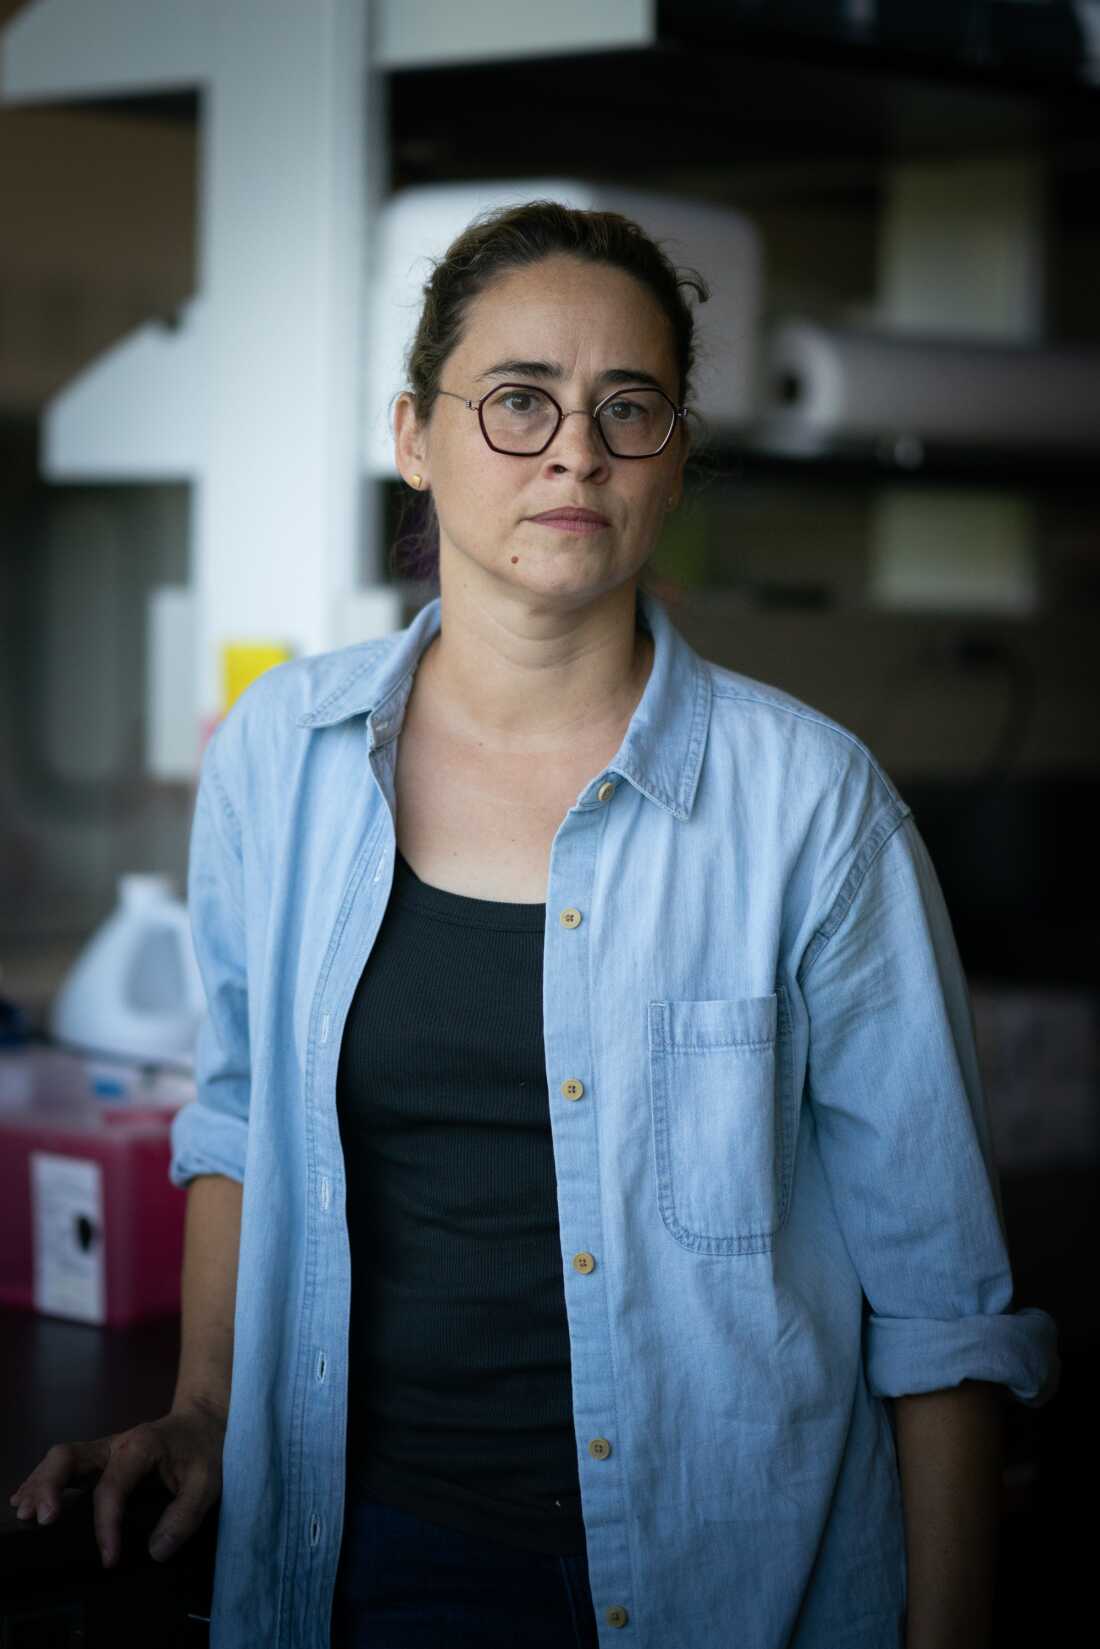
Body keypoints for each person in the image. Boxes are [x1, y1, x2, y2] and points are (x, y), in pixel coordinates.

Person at [9, 201, 1059, 1649]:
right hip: (351, 1556)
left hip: (727, 1583)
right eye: (518, 399)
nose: (576, 451)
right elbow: (242, 1123)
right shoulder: (280, 758)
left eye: (628, 407)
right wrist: (202, 1411)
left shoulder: (812, 809)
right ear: (414, 437)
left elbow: (941, 1305)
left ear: (673, 460)